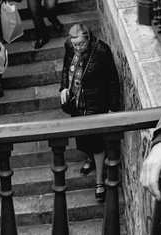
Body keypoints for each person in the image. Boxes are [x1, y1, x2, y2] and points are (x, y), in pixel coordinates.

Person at [59, 24, 121, 202]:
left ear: (88, 38)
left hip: (96, 103)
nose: (77, 48)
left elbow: (112, 80)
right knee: (84, 138)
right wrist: (63, 88)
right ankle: (90, 158)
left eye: (81, 44)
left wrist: (113, 108)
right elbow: (66, 67)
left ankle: (100, 180)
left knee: (97, 143)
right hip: (77, 102)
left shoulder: (101, 50)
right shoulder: (69, 46)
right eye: (75, 45)